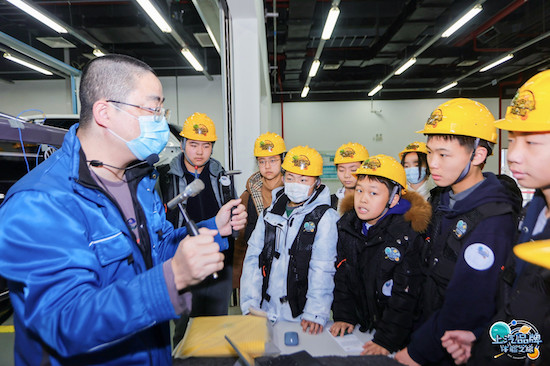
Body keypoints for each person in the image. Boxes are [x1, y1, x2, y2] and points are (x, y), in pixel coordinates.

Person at [0, 54, 246, 365]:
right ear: (105, 112)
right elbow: (64, 323)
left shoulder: (139, 182)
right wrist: (170, 280)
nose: (160, 120)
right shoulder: (40, 203)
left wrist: (214, 227)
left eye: (161, 110)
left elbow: (160, 248)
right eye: (152, 109)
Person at [395, 98, 520, 366]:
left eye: (444, 154)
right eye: (430, 153)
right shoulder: (442, 201)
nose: (433, 164)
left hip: (453, 348)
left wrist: (418, 351)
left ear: (477, 155)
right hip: (425, 328)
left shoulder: (492, 219)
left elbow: (469, 305)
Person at [441, 71, 550, 365]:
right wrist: (486, 340)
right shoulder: (534, 214)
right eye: (513, 140)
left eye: (531, 143)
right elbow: (526, 310)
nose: (512, 155)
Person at [330, 154, 430, 355]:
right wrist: (344, 315)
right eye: (359, 190)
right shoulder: (348, 225)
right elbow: (343, 275)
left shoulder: (407, 235)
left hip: (397, 338)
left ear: (393, 199)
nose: (362, 199)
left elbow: (406, 294)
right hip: (362, 328)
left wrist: (387, 340)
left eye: (373, 193)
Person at [240, 145, 339, 334]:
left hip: (303, 315)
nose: (296, 184)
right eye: (291, 178)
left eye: (303, 179)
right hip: (265, 310)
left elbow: (323, 268)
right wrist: (250, 304)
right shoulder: (269, 214)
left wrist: (316, 312)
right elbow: (253, 260)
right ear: (283, 178)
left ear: (317, 182)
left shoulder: (325, 217)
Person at [158, 112, 237, 344]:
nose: (199, 151)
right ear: (182, 144)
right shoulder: (165, 178)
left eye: (206, 145)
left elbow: (231, 221)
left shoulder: (222, 176)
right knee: (184, 326)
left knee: (216, 325)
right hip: (181, 259)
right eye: (193, 144)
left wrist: (236, 226)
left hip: (218, 259)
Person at [232, 132, 286, 290]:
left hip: (287, 271)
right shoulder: (249, 195)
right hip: (257, 269)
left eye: (273, 160)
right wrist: (239, 277)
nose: (267, 166)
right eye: (262, 161)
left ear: (282, 160)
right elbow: (240, 242)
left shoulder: (295, 192)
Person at [331, 142, 369, 212]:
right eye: (341, 170)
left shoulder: (372, 201)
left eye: (353, 170)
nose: (346, 175)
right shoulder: (330, 201)